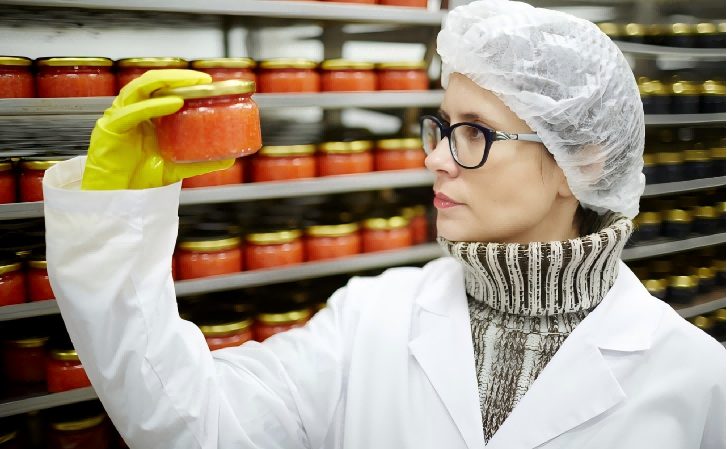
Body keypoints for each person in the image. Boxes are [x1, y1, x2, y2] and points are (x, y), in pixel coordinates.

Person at [43, 0, 725, 448]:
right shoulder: (371, 316)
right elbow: (195, 420)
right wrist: (112, 221)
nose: (436, 157)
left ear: (580, 161)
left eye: (475, 132)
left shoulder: (696, 379)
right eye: (440, 126)